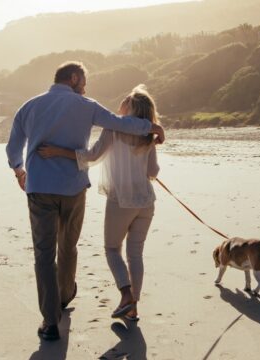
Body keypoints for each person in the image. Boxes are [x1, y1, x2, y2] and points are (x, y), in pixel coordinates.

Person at [5, 62, 165, 341]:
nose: (86, 87)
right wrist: (151, 127)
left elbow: (13, 148)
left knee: (44, 254)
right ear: (75, 78)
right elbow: (120, 123)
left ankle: (50, 320)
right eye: (84, 81)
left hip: (40, 187)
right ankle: (66, 295)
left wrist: (19, 170)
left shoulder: (28, 106)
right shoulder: (86, 105)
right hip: (74, 188)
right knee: (69, 246)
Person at [38, 85, 160, 322]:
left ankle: (126, 296)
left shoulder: (113, 130)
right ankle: (133, 306)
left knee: (112, 249)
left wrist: (58, 151)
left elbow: (91, 156)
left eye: (125, 99)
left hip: (120, 201)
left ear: (131, 107)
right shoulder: (149, 136)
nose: (121, 102)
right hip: (146, 202)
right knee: (136, 254)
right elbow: (153, 171)